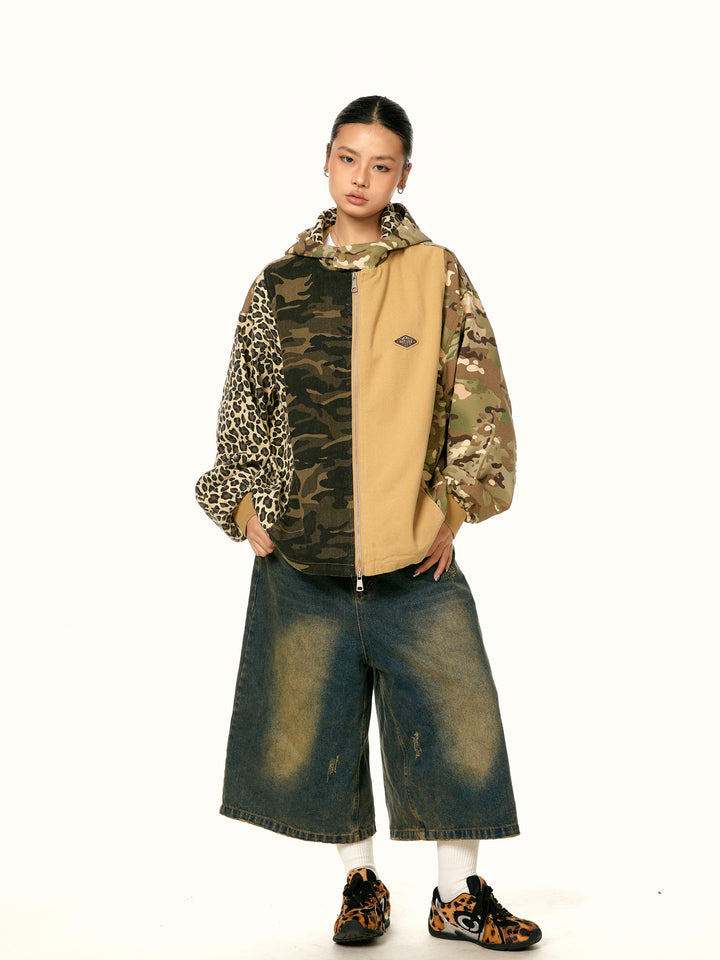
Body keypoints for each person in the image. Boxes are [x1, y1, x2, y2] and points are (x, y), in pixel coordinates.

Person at [196, 94, 542, 950]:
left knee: (461, 723)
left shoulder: (437, 274)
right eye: (348, 159)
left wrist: (455, 508)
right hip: (303, 559)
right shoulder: (279, 285)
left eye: (381, 164)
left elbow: (480, 399)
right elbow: (244, 408)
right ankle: (361, 884)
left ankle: (457, 898)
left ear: (404, 176)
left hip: (413, 557)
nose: (361, 178)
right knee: (321, 730)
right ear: (326, 161)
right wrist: (242, 505)